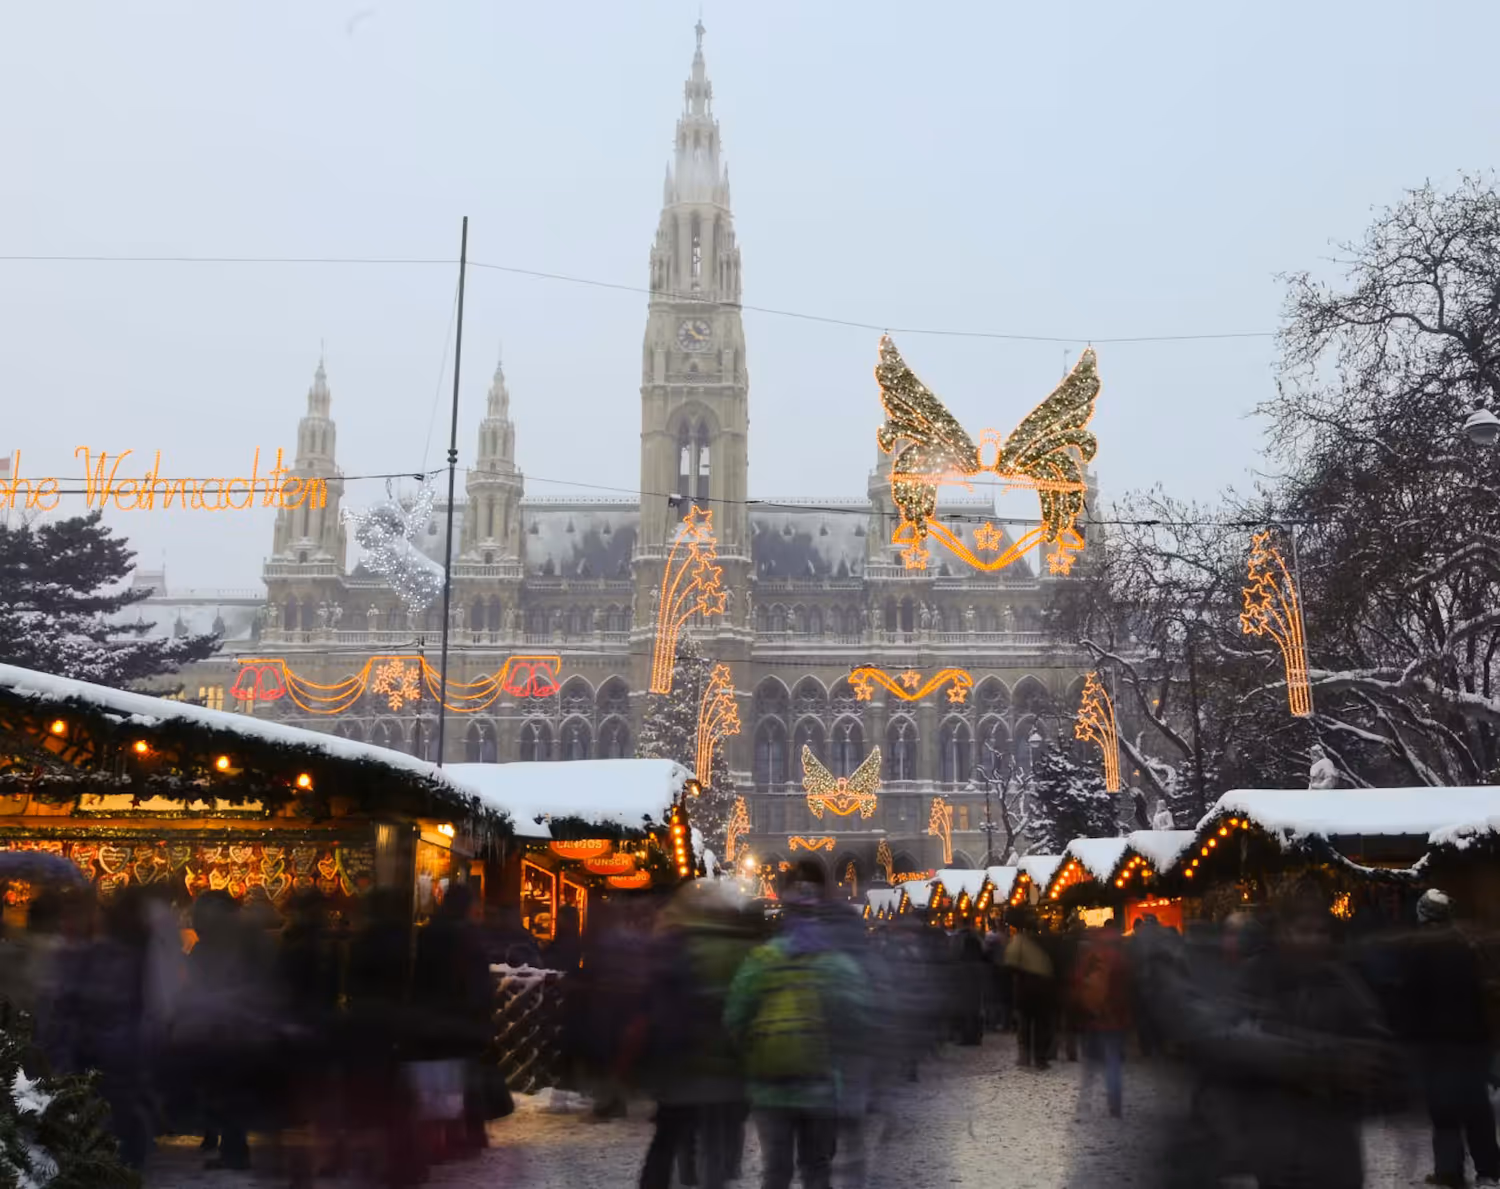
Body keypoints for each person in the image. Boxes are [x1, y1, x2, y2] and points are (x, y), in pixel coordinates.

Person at [725, 864, 869, 1189]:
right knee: (816, 1168)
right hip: (820, 1085)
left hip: (770, 1086)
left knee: (776, 1171)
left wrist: (752, 1057)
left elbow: (735, 1016)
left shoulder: (763, 959)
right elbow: (858, 1019)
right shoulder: (835, 963)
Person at [1397, 889, 1500, 1188]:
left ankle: (1449, 1170)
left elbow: (1410, 999)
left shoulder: (1419, 948)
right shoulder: (1468, 945)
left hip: (1437, 1043)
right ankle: (1490, 1167)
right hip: (1472, 1040)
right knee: (1476, 1107)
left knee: (1444, 1110)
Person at [1071, 917, 1130, 1117]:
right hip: (1117, 1017)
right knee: (1113, 1061)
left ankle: (1083, 1104)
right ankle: (1115, 1105)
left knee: (1090, 1064)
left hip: (1094, 1015)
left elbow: (1078, 980)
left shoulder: (1093, 954)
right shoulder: (1123, 956)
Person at [1003, 910, 1056, 1069]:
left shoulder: (1018, 941)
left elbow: (1010, 964)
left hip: (1024, 987)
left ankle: (1025, 1057)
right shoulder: (1044, 942)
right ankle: (1040, 1059)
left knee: (1025, 1025)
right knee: (1040, 1025)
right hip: (1042, 987)